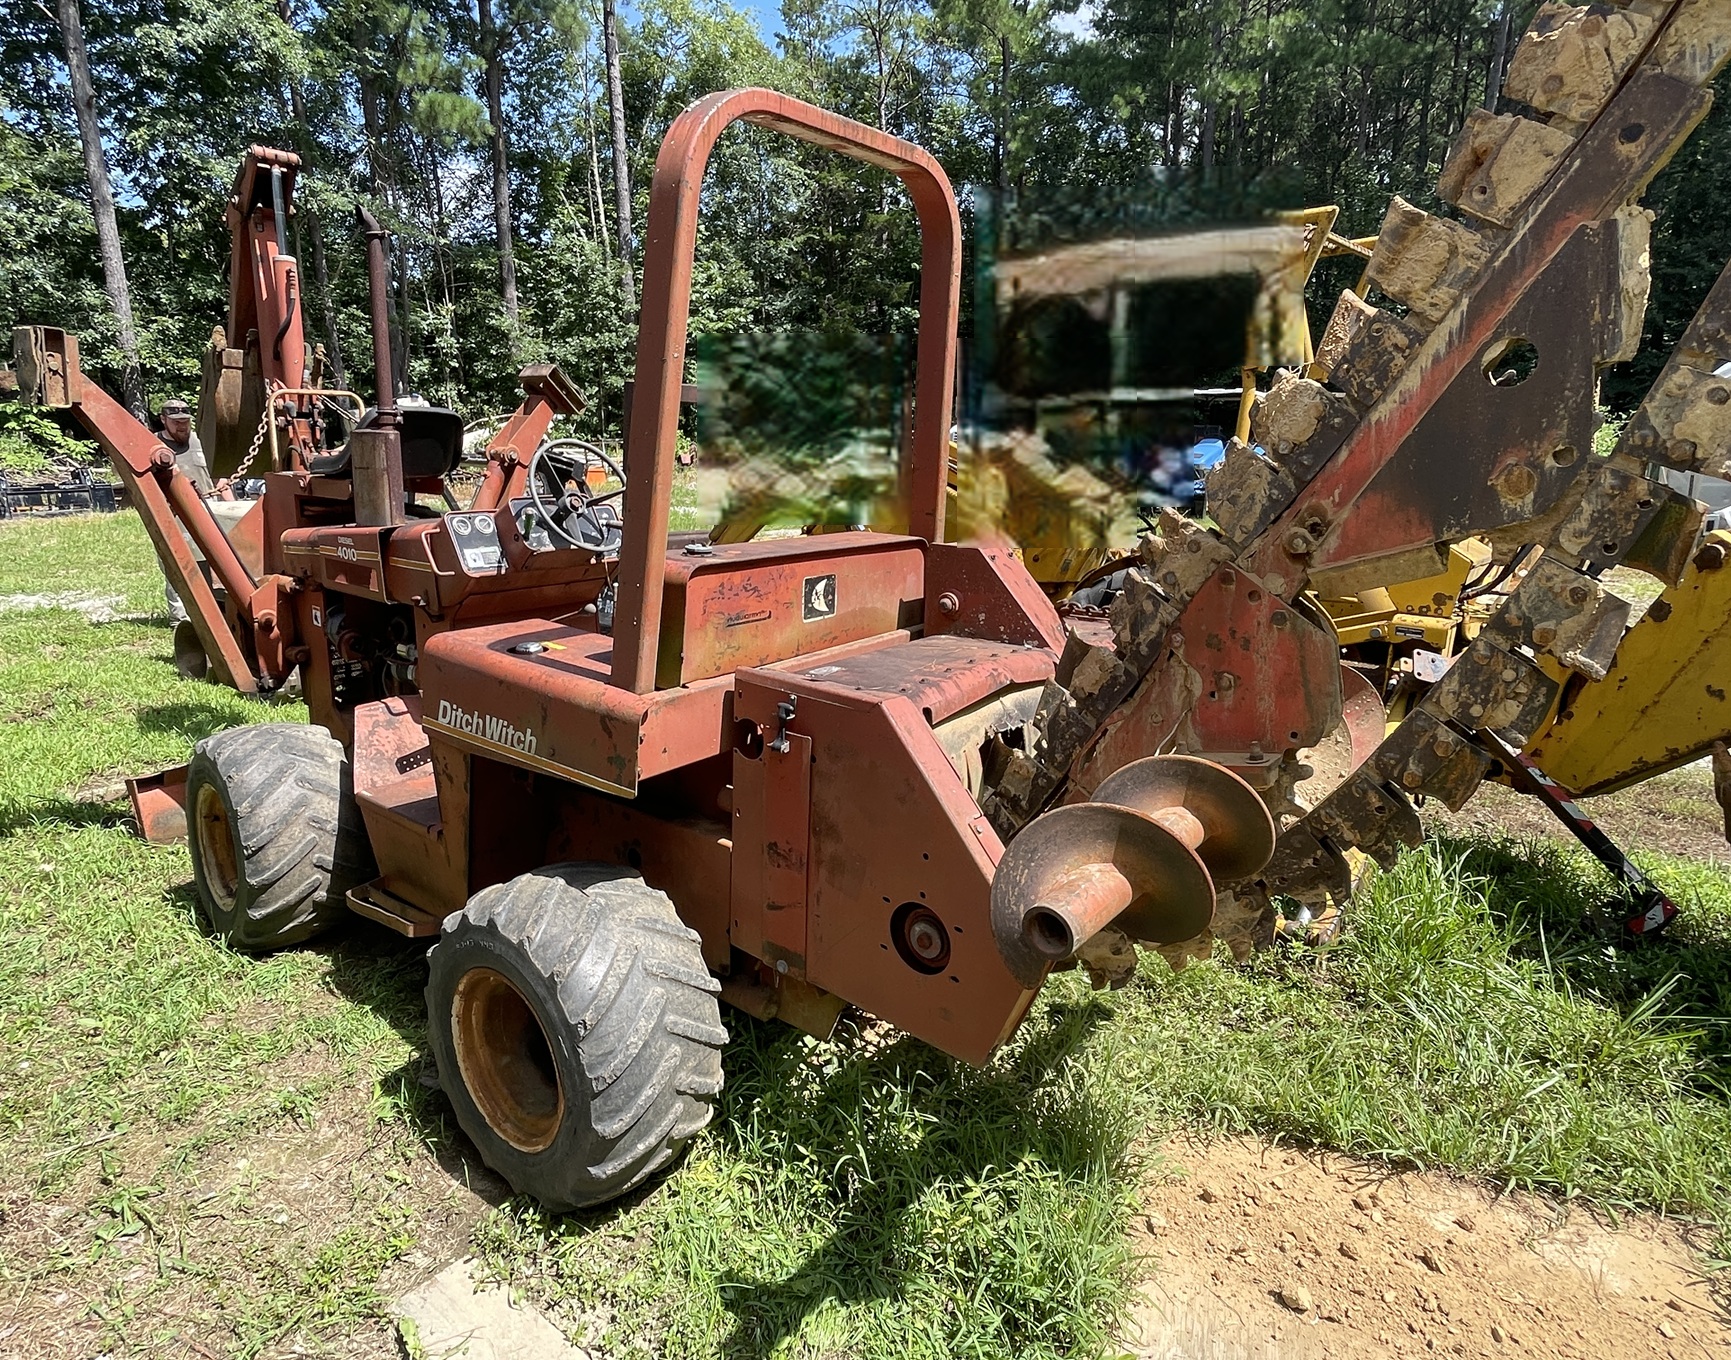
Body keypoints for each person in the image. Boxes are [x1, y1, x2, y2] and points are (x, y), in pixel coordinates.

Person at [156, 398, 231, 624]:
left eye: (185, 422)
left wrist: (229, 506)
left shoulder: (201, 441)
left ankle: (214, 607)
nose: (182, 426)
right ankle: (181, 618)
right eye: (176, 422)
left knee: (214, 557)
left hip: (208, 508)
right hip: (172, 513)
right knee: (175, 560)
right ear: (163, 420)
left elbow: (220, 474)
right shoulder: (154, 445)